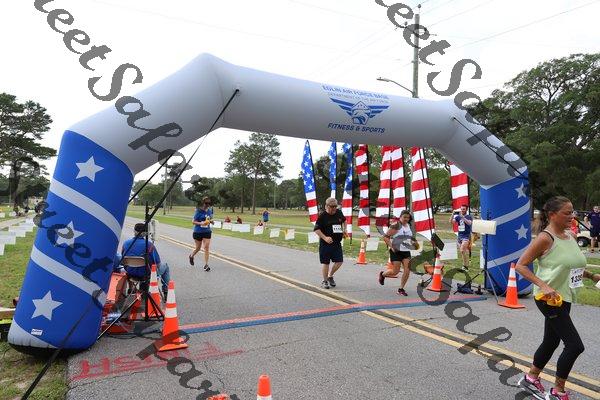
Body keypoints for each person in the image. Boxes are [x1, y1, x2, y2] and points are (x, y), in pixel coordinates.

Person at [515, 196, 600, 400]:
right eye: (567, 213)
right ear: (552, 215)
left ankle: (531, 378)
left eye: (573, 212)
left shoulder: (570, 235)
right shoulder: (545, 238)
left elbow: (571, 265)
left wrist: (591, 276)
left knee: (551, 341)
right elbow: (520, 265)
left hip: (564, 297)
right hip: (549, 299)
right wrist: (544, 286)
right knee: (575, 345)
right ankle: (557, 392)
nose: (572, 216)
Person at [122, 223, 171, 298]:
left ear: (134, 231)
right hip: (146, 274)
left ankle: (131, 289)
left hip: (130, 273)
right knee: (165, 266)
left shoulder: (126, 243)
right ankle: (166, 292)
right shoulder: (149, 245)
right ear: (145, 233)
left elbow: (123, 260)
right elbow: (158, 264)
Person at [379, 210, 417, 296]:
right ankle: (383, 274)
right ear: (400, 217)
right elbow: (385, 237)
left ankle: (401, 289)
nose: (406, 219)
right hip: (396, 251)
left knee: (407, 270)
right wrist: (392, 247)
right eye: (404, 217)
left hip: (406, 251)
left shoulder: (408, 225)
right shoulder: (396, 225)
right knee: (395, 272)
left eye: (408, 217)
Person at [314, 197, 346, 289]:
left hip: (337, 243)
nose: (334, 208)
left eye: (335, 206)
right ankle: (325, 281)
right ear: (326, 206)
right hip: (326, 244)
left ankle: (330, 276)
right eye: (332, 206)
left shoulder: (339, 212)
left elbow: (344, 221)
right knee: (326, 263)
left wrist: (344, 229)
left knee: (339, 261)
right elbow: (316, 229)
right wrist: (325, 238)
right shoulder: (322, 216)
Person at [189, 197, 213, 271]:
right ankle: (191, 256)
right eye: (206, 203)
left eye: (209, 203)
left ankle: (206, 265)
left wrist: (211, 221)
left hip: (207, 231)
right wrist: (201, 223)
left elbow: (209, 219)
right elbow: (193, 221)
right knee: (198, 248)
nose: (208, 205)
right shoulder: (198, 211)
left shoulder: (209, 211)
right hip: (198, 231)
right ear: (203, 203)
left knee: (206, 247)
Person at [454, 204, 473, 271]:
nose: (462, 210)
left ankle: (466, 266)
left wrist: (463, 217)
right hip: (460, 236)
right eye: (461, 209)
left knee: (462, 250)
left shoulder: (469, 216)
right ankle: (465, 266)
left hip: (466, 236)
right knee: (463, 252)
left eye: (463, 209)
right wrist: (452, 214)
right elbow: (451, 222)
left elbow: (469, 223)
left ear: (466, 210)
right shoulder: (458, 217)